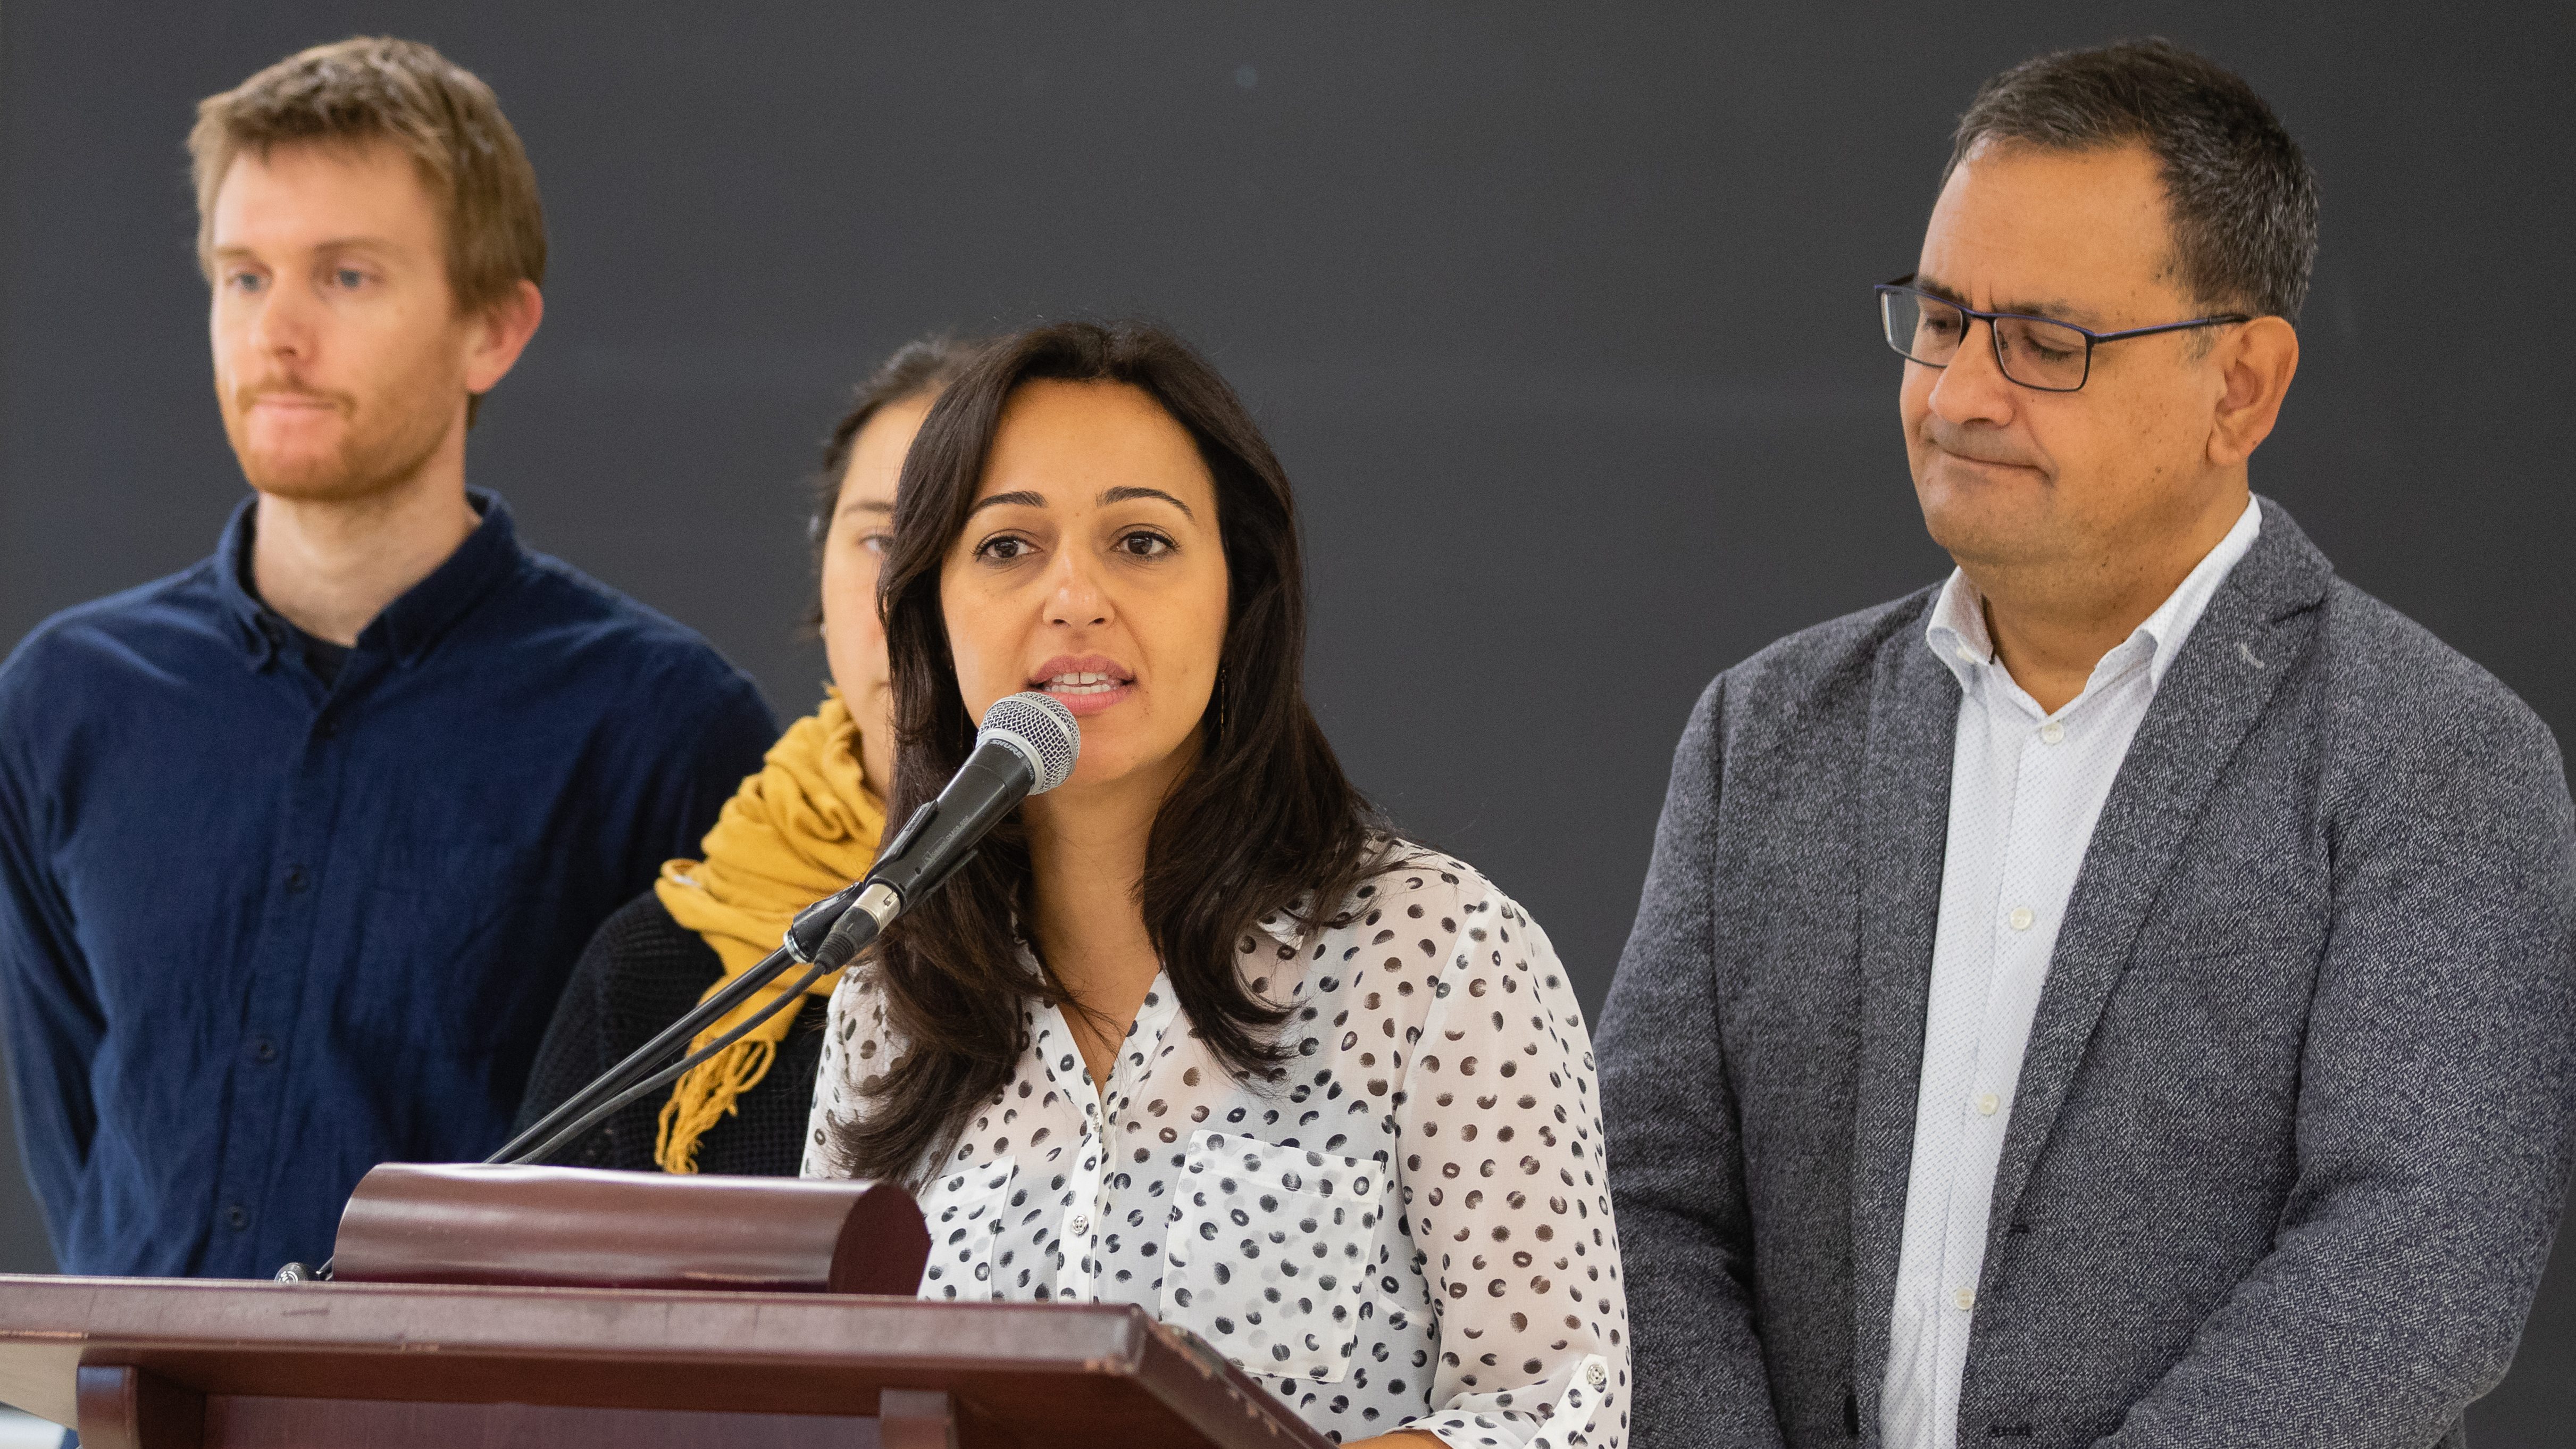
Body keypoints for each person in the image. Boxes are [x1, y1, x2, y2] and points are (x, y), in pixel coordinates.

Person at [1599, 38, 2574, 1449]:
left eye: (2043, 344)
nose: (1958, 396)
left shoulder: (2434, 758)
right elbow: (1642, 1201)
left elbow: (2417, 1269)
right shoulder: (1764, 732)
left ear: (2239, 386)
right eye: (1939, 322)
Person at [0, 37, 776, 1281]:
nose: (279, 334)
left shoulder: (661, 729)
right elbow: (81, 1157)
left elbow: (697, 1192)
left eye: (347, 277)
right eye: (243, 276)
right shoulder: (64, 704)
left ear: (494, 330)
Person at [801, 321, 1629, 1449]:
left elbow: (1558, 1413)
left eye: (1140, 542)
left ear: (1240, 596)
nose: (1074, 597)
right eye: (1006, 548)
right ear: (931, 613)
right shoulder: (886, 997)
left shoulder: (1444, 955)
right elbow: (826, 1409)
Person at [516, 336, 983, 1176]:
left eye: (989, 545)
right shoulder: (659, 973)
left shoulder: (1178, 948)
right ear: (821, 569)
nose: (912, 597)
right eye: (881, 540)